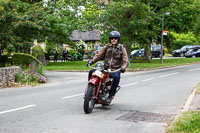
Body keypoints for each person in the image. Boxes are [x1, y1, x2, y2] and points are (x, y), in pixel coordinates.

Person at [87, 31, 129, 103]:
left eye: (115, 38)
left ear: (118, 39)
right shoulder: (107, 47)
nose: (113, 40)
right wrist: (92, 61)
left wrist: (123, 67)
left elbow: (125, 60)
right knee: (91, 72)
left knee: (116, 77)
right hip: (105, 68)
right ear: (110, 39)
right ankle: (90, 89)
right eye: (112, 38)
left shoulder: (122, 48)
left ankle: (111, 95)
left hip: (115, 69)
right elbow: (99, 55)